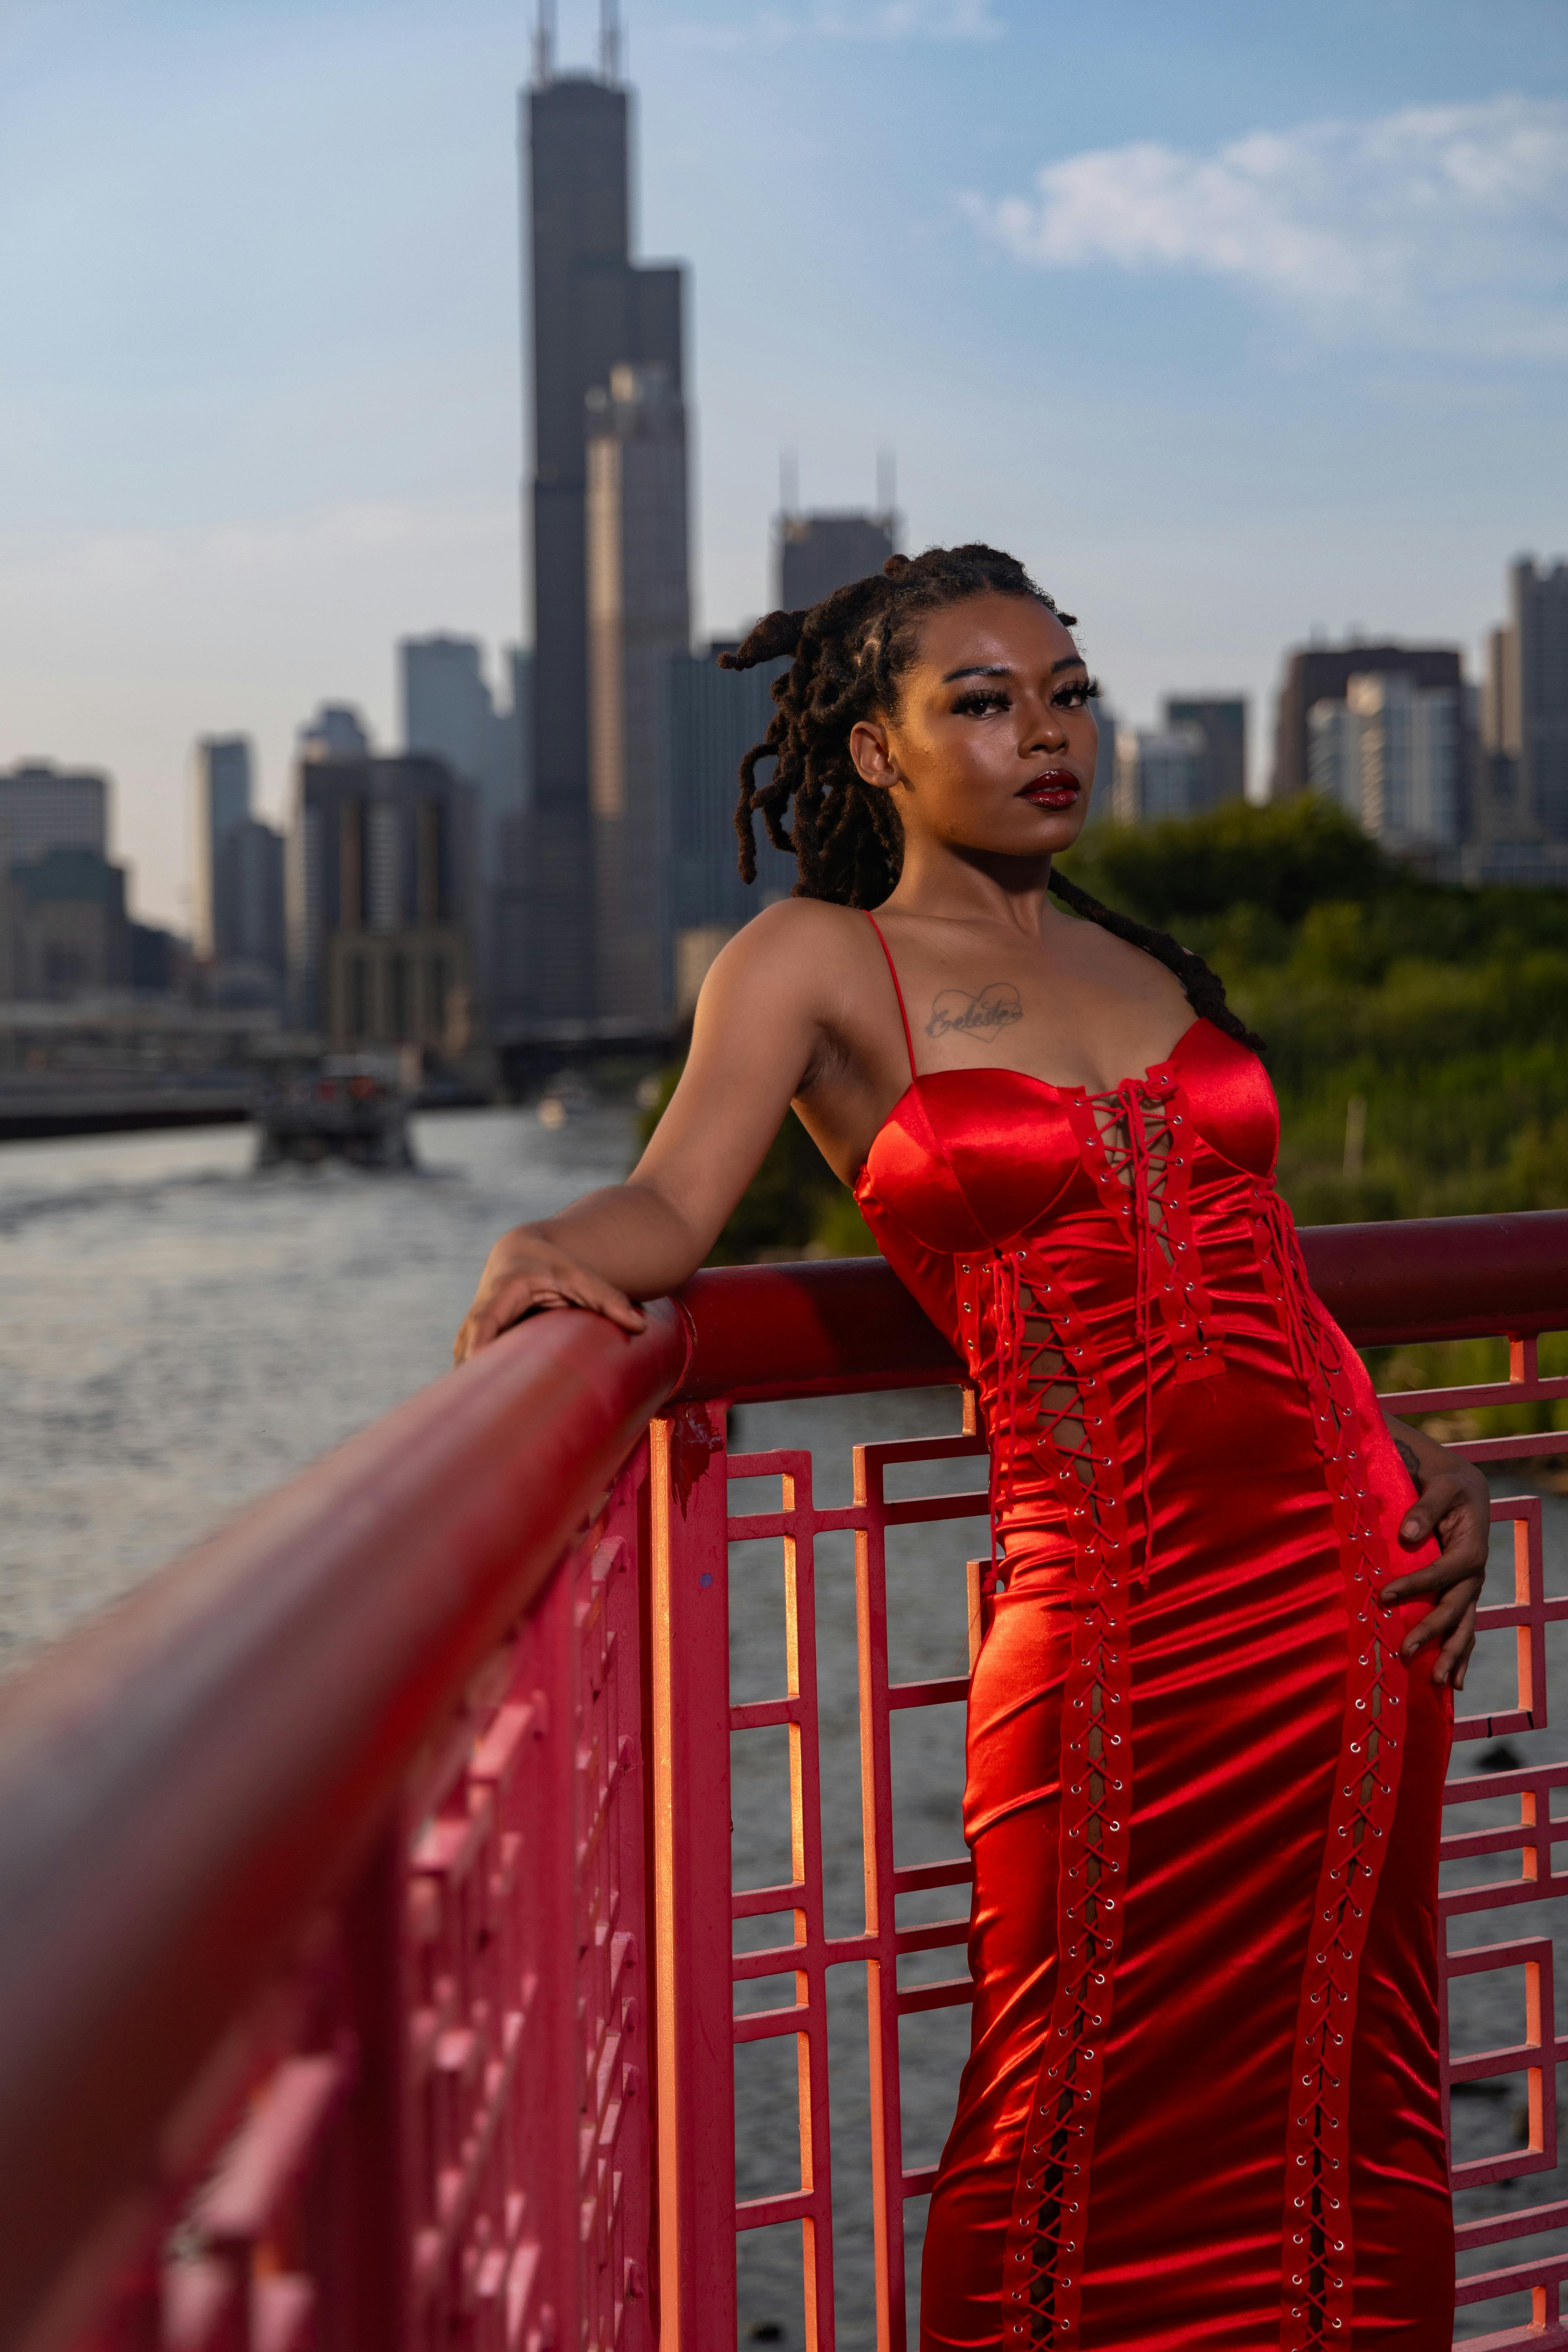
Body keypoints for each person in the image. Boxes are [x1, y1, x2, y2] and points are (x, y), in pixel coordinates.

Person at [456, 545, 1487, 2350]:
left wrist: (1411, 1439)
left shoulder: (1145, 960)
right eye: (984, 700)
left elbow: (1264, 1269)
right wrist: (550, 1255)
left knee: (1349, 2073)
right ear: (871, 751)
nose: (1045, 734)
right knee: (1064, 2101)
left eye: (1067, 694)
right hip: (1113, 1625)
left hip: (1351, 1605)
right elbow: (673, 1199)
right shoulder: (812, 961)